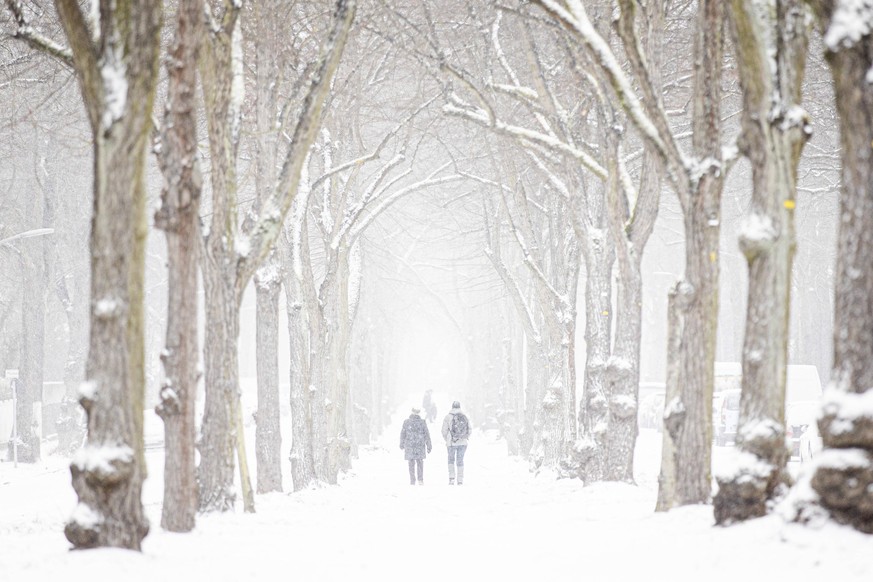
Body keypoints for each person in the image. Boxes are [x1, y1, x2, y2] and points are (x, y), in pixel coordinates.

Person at [441, 400, 471, 485]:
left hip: (451, 443)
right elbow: (470, 429)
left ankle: (451, 478)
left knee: (451, 460)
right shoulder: (464, 416)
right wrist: (464, 436)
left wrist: (447, 439)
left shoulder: (448, 417)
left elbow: (443, 431)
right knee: (460, 460)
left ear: (452, 407)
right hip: (463, 443)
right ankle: (460, 479)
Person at [400, 407, 432, 485]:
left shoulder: (406, 422)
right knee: (420, 462)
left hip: (409, 445)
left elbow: (403, 434)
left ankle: (412, 480)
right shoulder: (422, 422)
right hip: (420, 445)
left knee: (411, 462)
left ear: (411, 412)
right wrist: (429, 445)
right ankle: (420, 479)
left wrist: (401, 443)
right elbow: (427, 434)